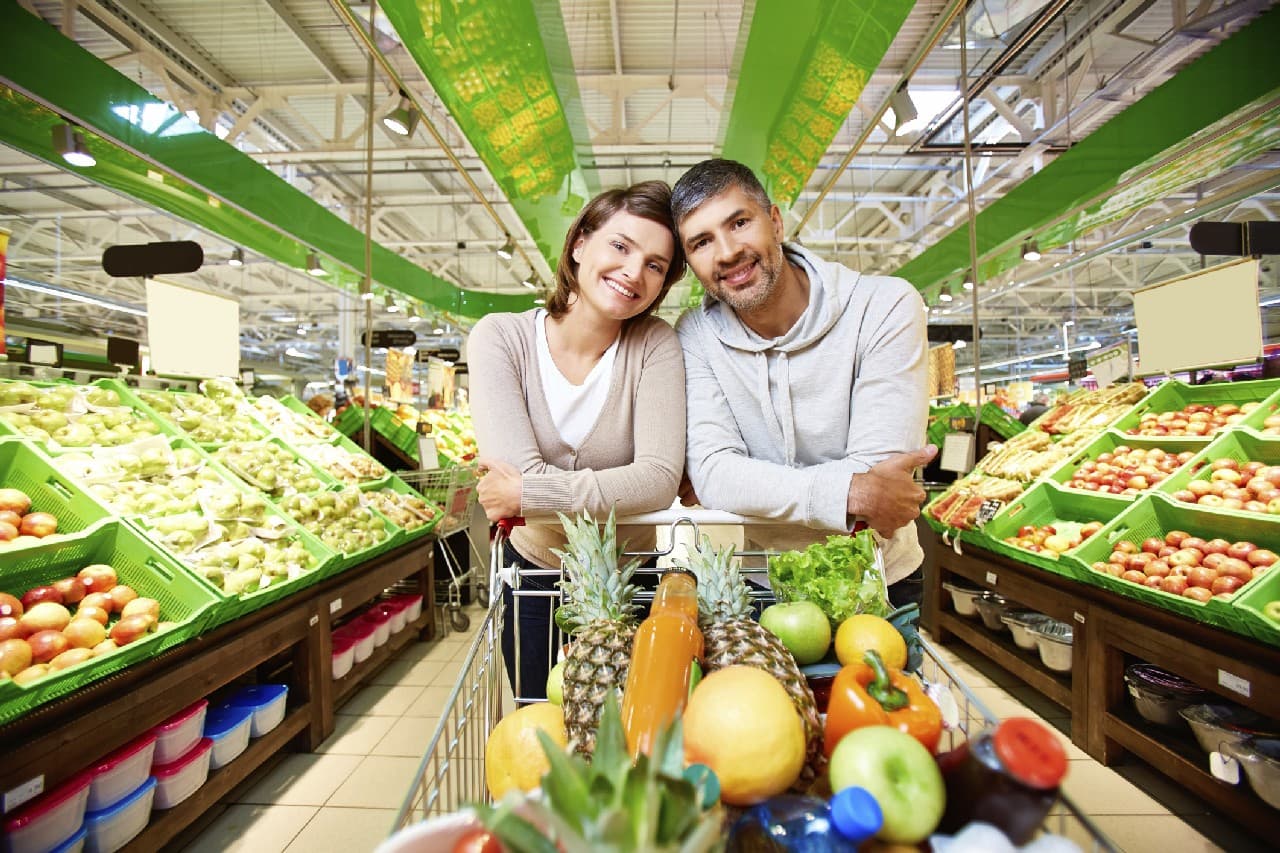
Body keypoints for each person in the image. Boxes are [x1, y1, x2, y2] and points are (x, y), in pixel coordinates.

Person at [671, 159, 936, 609]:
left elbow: (881, 468)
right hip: (756, 586)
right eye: (701, 242)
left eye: (739, 222)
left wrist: (752, 486)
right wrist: (852, 490)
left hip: (877, 577)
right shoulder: (694, 334)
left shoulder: (885, 306)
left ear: (774, 222)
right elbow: (716, 474)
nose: (728, 251)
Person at [468, 181, 687, 701]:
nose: (634, 272)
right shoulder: (501, 338)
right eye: (620, 246)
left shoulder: (656, 344)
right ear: (579, 244)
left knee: (631, 736)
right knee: (538, 722)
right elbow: (511, 473)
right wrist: (612, 488)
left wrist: (531, 495)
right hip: (535, 577)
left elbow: (657, 481)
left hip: (630, 580)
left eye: (656, 265)